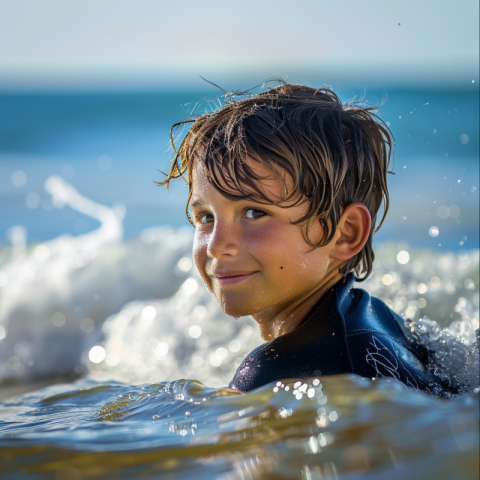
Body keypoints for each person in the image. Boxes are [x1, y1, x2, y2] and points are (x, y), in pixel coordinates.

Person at [158, 82, 441, 394]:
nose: (216, 246)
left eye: (254, 212)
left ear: (346, 233)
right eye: (206, 217)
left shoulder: (279, 374)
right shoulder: (378, 321)